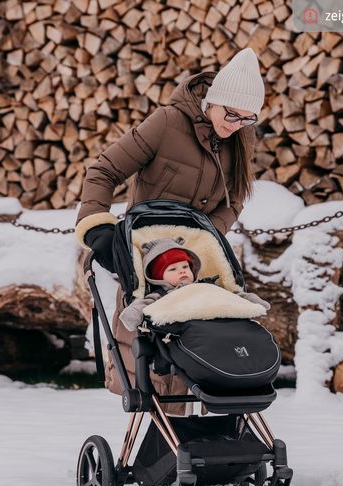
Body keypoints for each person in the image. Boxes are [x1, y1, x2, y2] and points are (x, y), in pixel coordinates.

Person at [75, 48, 266, 409]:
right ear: (212, 101)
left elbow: (235, 199)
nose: (235, 124)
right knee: (152, 366)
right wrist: (97, 228)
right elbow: (104, 171)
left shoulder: (236, 139)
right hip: (147, 259)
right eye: (231, 114)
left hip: (196, 265)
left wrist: (209, 236)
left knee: (203, 353)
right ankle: (163, 446)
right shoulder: (166, 123)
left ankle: (211, 442)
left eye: (246, 118)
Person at [119, 237, 270, 331]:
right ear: (159, 277)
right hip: (188, 329)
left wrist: (252, 301)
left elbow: (233, 296)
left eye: (185, 267)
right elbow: (144, 304)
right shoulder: (161, 295)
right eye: (173, 269)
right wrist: (133, 315)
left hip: (219, 323)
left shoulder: (207, 286)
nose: (182, 272)